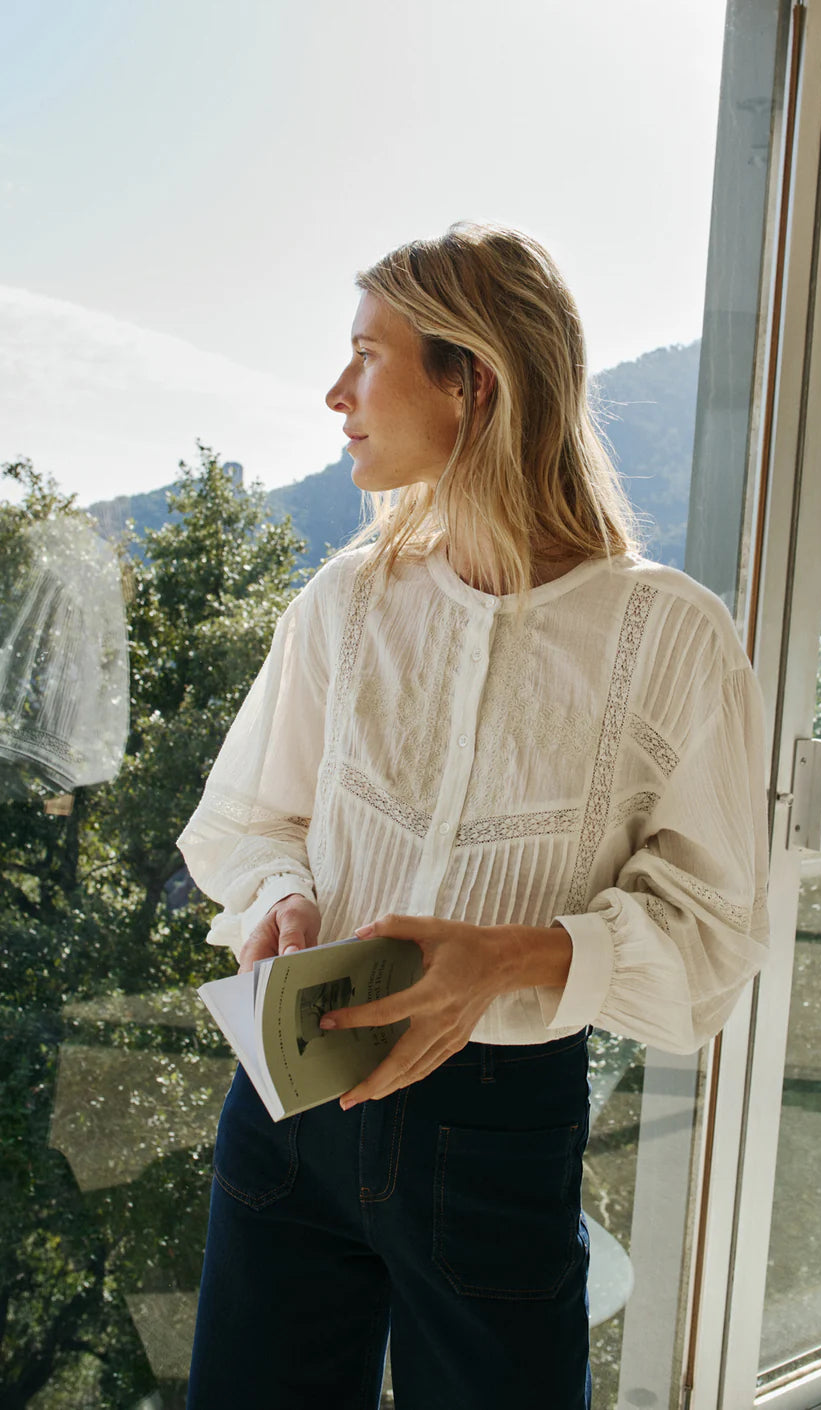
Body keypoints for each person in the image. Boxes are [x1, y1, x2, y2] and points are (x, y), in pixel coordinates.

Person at [178, 221, 770, 1410]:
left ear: (473, 382)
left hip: (494, 1135)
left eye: (366, 355)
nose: (335, 391)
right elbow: (248, 817)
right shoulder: (346, 600)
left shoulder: (667, 635)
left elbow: (711, 937)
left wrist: (508, 956)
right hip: (287, 1104)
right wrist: (283, 897)